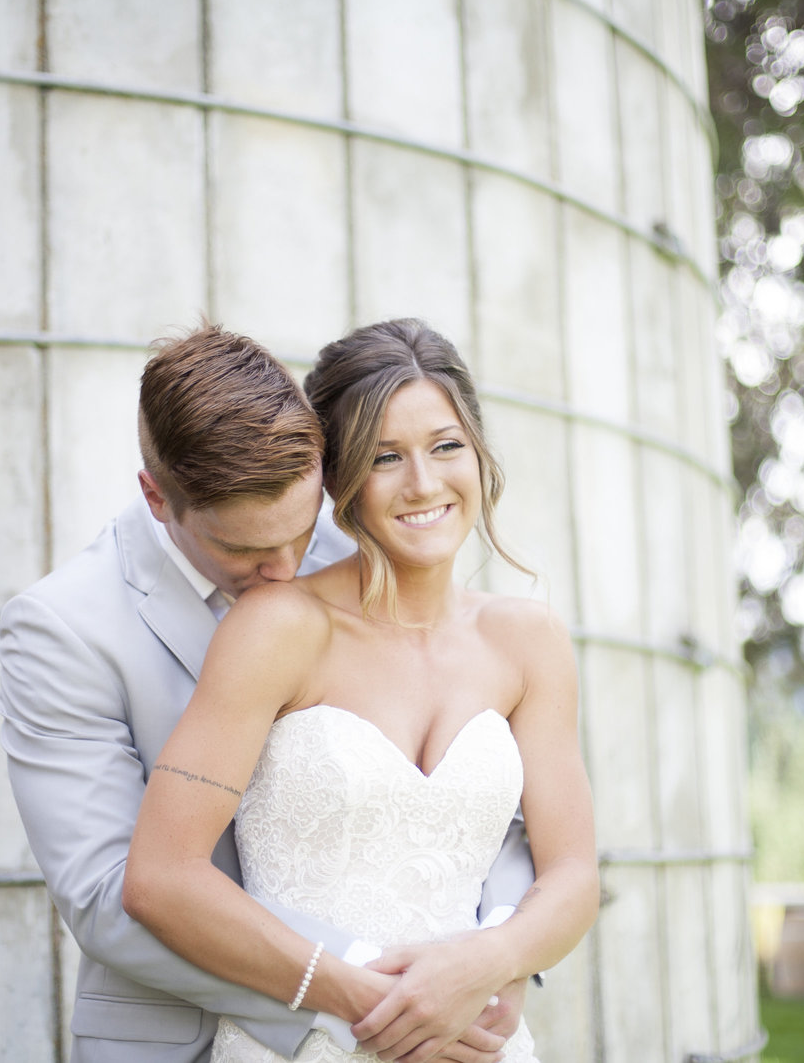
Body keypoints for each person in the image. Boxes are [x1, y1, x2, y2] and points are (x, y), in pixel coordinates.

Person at [0, 324, 538, 1063]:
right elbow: (106, 894)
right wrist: (373, 995)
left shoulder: (363, 540)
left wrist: (493, 958)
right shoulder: (61, 628)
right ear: (159, 499)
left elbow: (472, 800)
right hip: (188, 1034)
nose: (287, 570)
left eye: (301, 528)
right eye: (246, 552)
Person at [122, 319, 600, 1063]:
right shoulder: (276, 626)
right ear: (337, 481)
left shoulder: (528, 640)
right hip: (308, 1042)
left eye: (446, 445)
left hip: (480, 1044)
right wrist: (386, 1006)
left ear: (478, 452)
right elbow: (161, 876)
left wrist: (491, 961)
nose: (424, 483)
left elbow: (572, 874)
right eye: (385, 457)